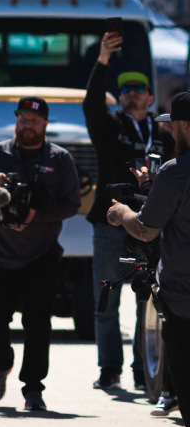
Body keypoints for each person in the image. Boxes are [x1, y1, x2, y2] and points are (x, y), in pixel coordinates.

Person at [0, 97, 81, 411]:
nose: (27, 124)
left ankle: (33, 388)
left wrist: (35, 215)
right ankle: (2, 364)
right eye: (22, 118)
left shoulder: (59, 159)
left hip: (41, 254)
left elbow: (72, 204)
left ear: (45, 124)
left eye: (34, 119)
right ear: (15, 120)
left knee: (38, 324)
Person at [105, 91, 190, 427]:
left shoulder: (177, 171)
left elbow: (146, 228)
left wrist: (122, 213)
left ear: (184, 127)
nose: (171, 132)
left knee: (186, 379)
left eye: (173, 125)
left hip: (183, 296)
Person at [83, 32, 174, 391]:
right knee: (106, 296)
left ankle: (142, 370)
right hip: (110, 224)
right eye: (125, 90)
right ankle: (109, 369)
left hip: (152, 225)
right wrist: (103, 59)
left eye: (138, 88)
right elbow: (91, 104)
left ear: (150, 97)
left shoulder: (165, 133)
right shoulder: (110, 127)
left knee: (146, 301)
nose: (131, 93)